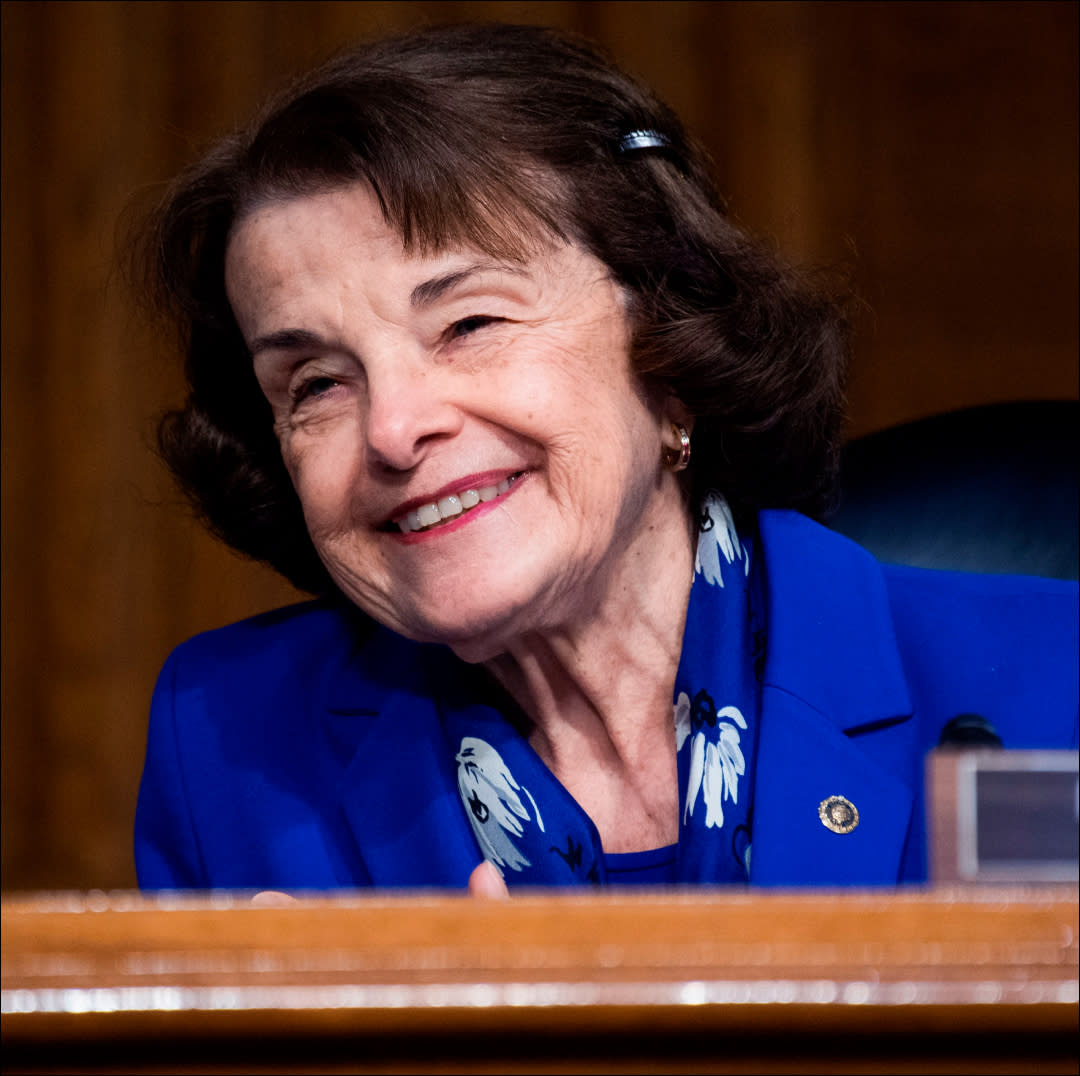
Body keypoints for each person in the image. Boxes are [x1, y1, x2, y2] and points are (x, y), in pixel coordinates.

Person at [133, 23, 1077, 895]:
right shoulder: (230, 748)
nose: (393, 430)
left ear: (669, 347)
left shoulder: (1045, 687)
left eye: (468, 323)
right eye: (316, 385)